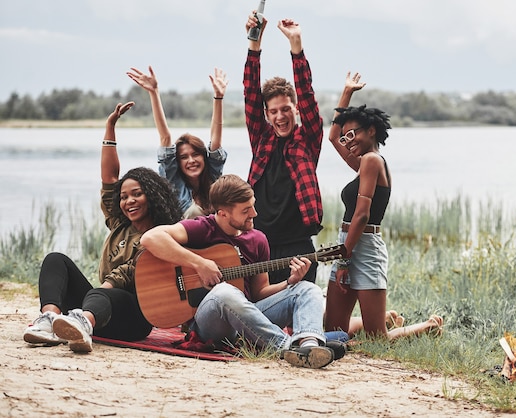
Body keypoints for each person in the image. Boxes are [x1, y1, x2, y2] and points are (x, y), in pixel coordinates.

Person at [140, 174, 346, 369]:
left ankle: (309, 344)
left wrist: (289, 282)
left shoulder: (257, 239)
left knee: (308, 288)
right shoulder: (203, 228)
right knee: (224, 292)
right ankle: (288, 347)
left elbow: (259, 293)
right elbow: (150, 238)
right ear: (222, 213)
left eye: (253, 206)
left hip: (249, 320)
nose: (254, 214)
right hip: (210, 323)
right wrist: (199, 263)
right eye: (245, 210)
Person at [23, 102, 182, 353]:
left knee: (108, 294)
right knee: (56, 260)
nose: (128, 201)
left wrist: (95, 296)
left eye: (137, 194)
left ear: (151, 197)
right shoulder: (120, 224)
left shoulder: (163, 234)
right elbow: (109, 178)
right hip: (96, 306)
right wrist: (110, 127)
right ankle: (48, 321)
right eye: (124, 196)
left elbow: (127, 274)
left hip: (133, 318)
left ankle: (84, 323)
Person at [324, 72, 444, 340]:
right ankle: (388, 318)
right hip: (347, 241)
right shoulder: (364, 162)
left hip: (363, 247)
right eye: (347, 137)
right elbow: (332, 136)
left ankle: (428, 327)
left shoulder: (371, 161)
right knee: (333, 332)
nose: (348, 141)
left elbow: (363, 214)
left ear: (371, 131)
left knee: (376, 339)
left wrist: (345, 258)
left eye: (353, 134)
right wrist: (346, 93)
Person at [243, 13, 324, 285]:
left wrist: (296, 46)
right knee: (262, 319)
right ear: (266, 114)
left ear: (296, 109)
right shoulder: (261, 139)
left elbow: (307, 94)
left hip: (298, 246)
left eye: (286, 109)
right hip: (260, 244)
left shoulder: (307, 140)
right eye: (274, 111)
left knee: (301, 316)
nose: (280, 117)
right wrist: (255, 44)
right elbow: (250, 94)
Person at [127, 66, 228, 218]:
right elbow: (165, 137)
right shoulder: (173, 183)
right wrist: (154, 93)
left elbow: (215, 140)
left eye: (195, 154)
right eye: (184, 157)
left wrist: (218, 98)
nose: (191, 160)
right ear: (177, 162)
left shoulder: (213, 178)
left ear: (204, 157)